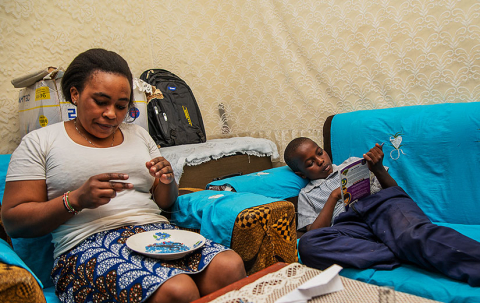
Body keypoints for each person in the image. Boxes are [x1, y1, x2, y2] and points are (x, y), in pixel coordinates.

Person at [2, 48, 246, 303]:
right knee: (178, 290)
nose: (112, 114)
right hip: (85, 246)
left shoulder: (138, 135)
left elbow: (166, 202)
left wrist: (166, 181)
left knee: (228, 265)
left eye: (121, 106)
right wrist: (75, 200)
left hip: (155, 233)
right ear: (75, 93)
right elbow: (13, 222)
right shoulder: (40, 142)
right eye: (101, 101)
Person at [284, 137, 480, 287]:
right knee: (308, 245)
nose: (320, 161)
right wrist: (334, 196)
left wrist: (377, 169)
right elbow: (315, 231)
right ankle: (401, 249)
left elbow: (396, 192)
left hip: (381, 207)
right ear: (300, 174)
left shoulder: (352, 163)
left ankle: (407, 244)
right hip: (351, 229)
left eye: (320, 152)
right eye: (310, 163)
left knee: (414, 234)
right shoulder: (306, 194)